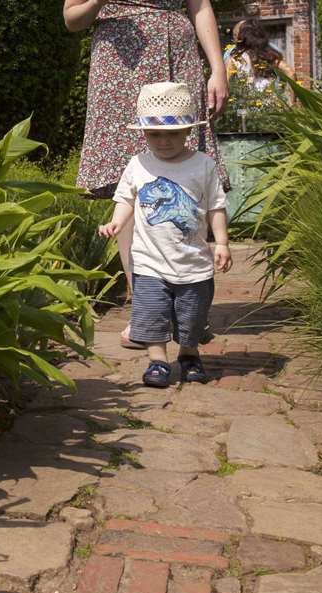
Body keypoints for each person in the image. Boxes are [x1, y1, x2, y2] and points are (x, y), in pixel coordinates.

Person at [64, 0, 229, 349]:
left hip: (174, 56)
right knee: (128, 186)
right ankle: (145, 307)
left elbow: (199, 1)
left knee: (185, 176)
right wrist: (97, 0)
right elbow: (71, 19)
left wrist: (216, 68)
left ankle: (188, 296)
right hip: (117, 63)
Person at [96, 82, 231, 387]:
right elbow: (126, 198)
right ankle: (157, 360)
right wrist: (116, 223)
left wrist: (221, 242)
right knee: (150, 312)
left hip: (193, 263)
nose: (163, 141)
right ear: (143, 133)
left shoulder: (203, 165)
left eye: (172, 134)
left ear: (187, 132)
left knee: (192, 316)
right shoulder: (138, 164)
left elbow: (216, 206)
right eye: (154, 134)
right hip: (149, 262)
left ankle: (188, 354)